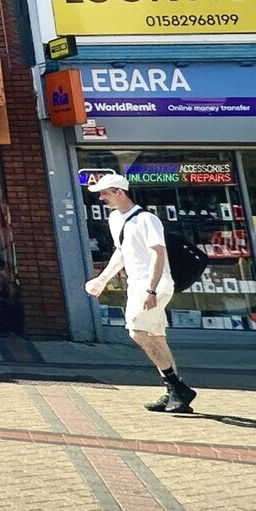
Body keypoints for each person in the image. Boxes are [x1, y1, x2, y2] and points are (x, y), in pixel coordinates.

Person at [85, 172, 196, 414]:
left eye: (105, 193)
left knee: (137, 331)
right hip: (138, 285)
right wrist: (103, 279)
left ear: (119, 192)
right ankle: (175, 394)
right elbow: (121, 252)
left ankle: (177, 387)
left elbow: (158, 253)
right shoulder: (116, 219)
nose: (101, 198)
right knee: (156, 337)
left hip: (153, 285)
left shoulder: (147, 219)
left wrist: (151, 289)